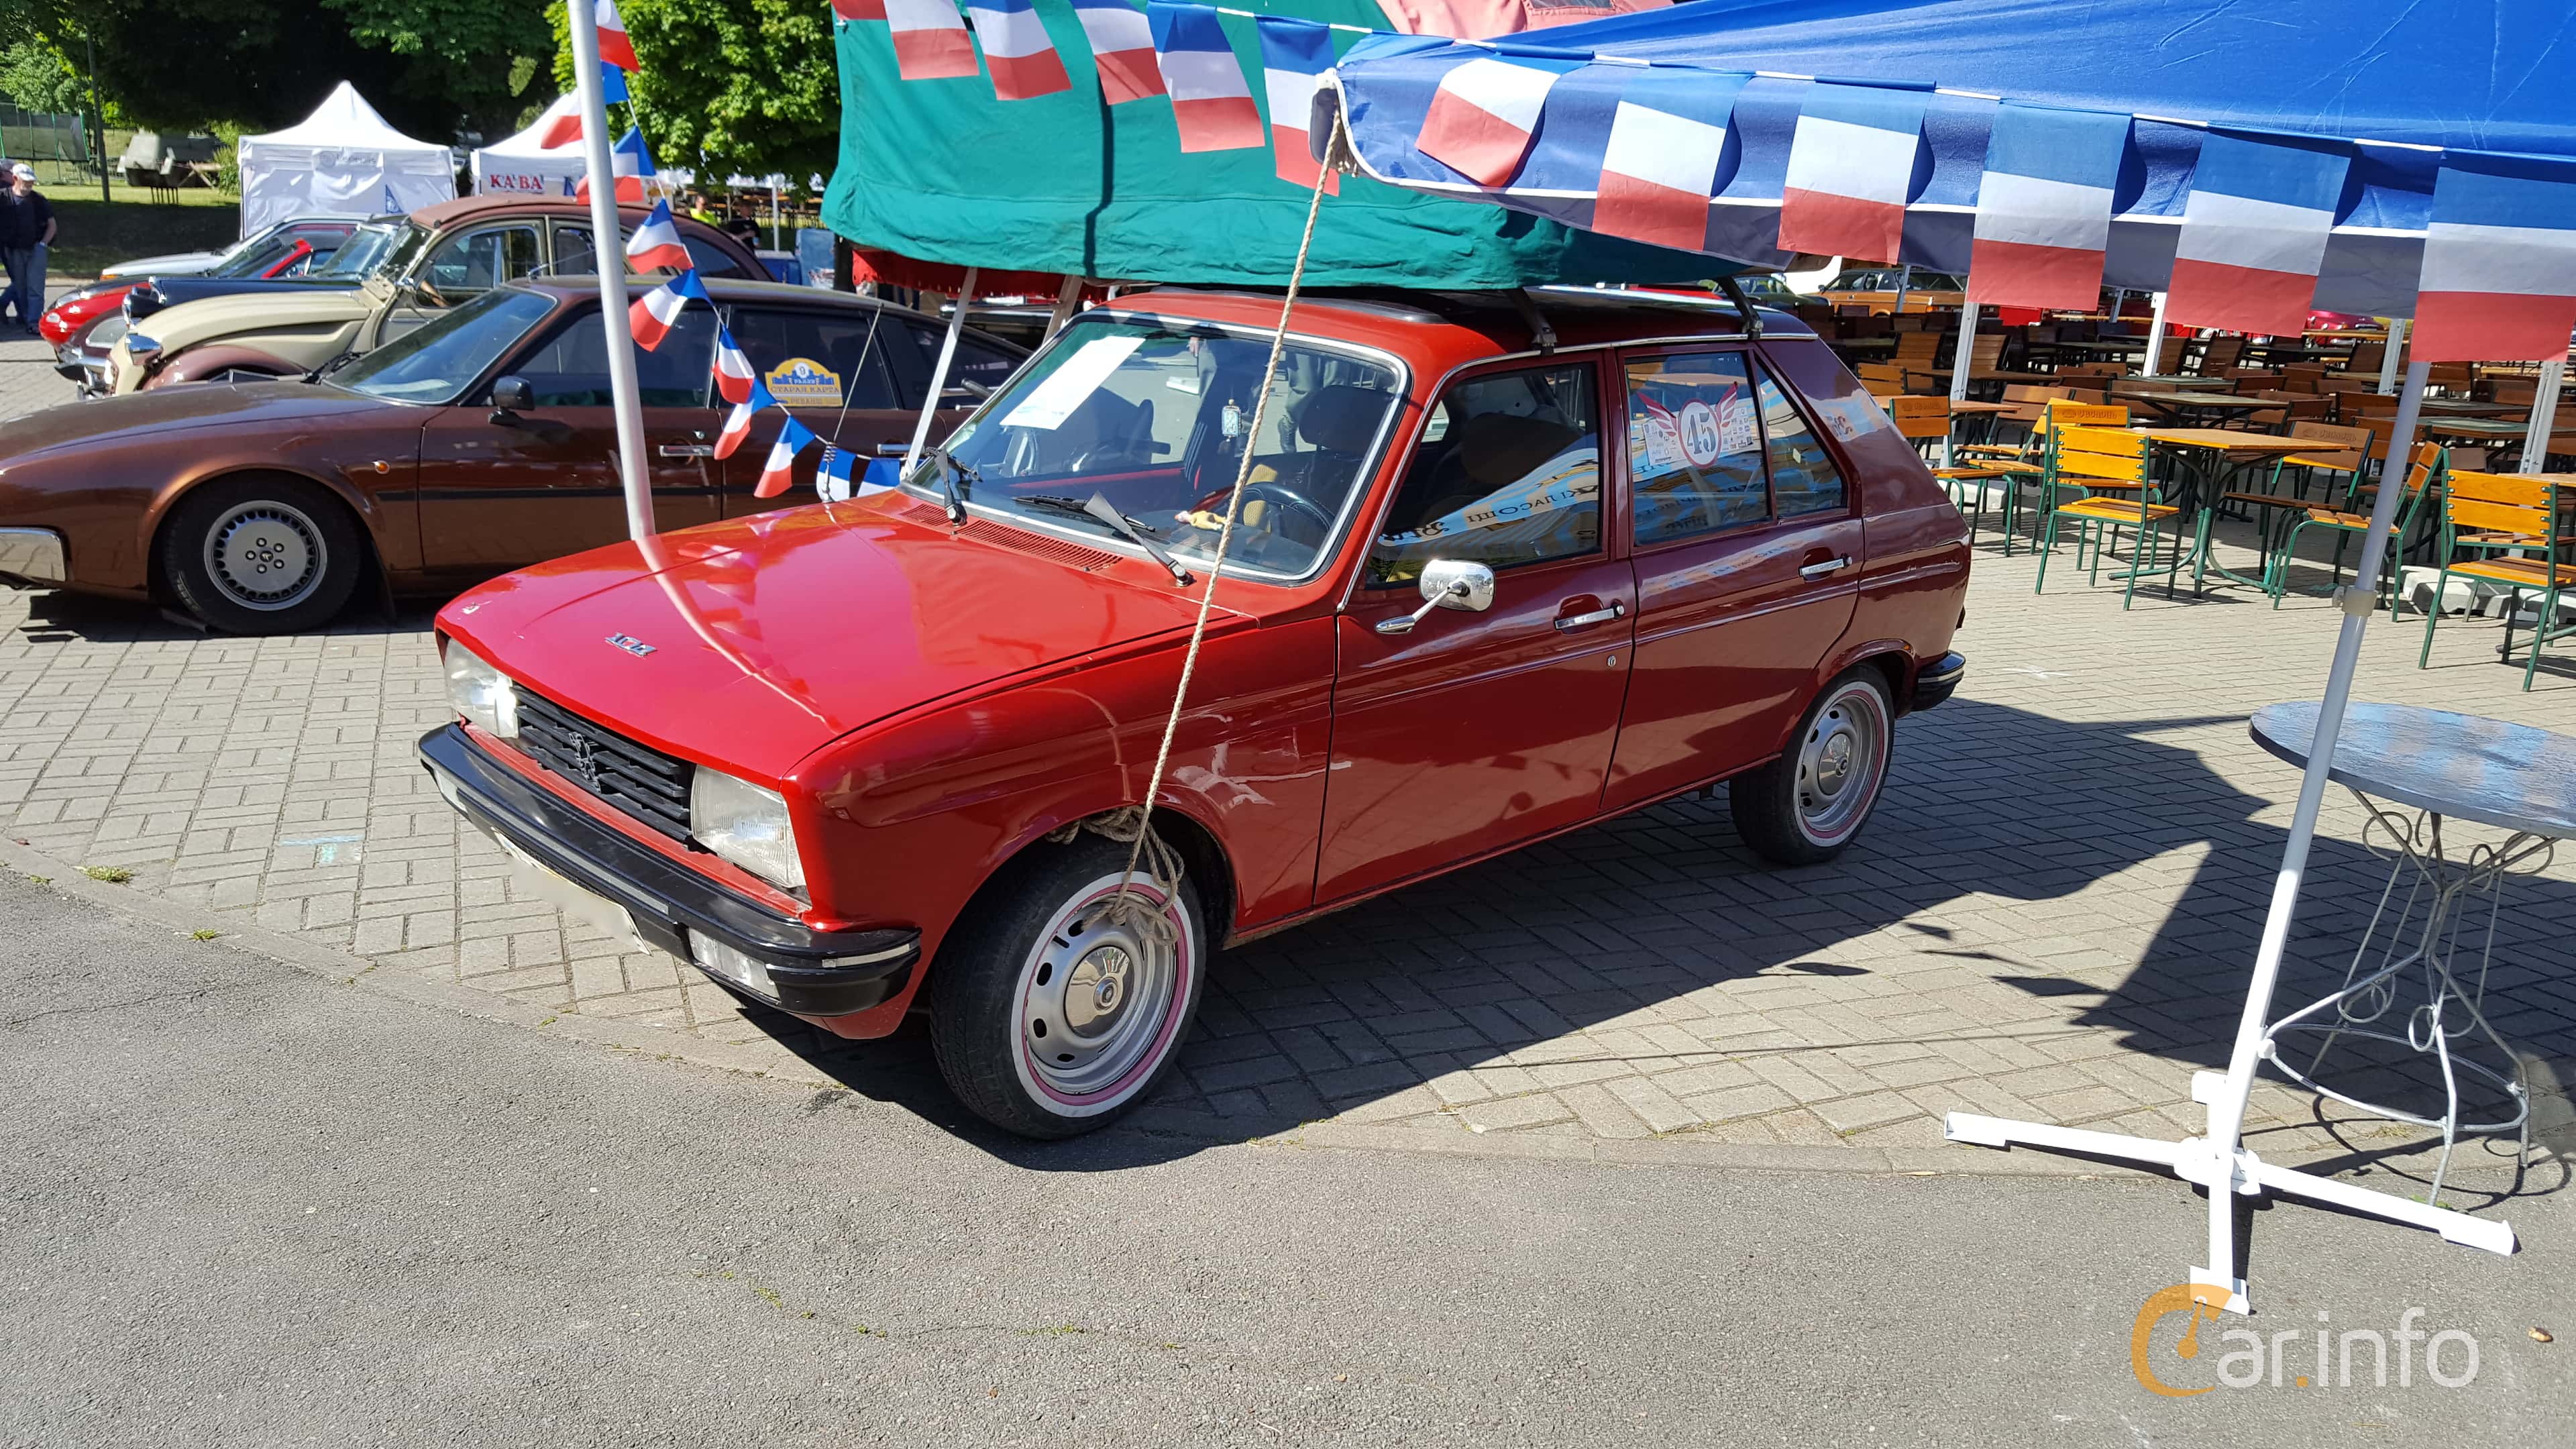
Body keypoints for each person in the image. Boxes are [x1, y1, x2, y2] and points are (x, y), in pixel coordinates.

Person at [0, 164, 56, 335]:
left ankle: (34, 321)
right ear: (15, 179)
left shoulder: (38, 200)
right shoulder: (3, 198)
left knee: (36, 288)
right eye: (26, 181)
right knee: (20, 286)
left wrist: (43, 244)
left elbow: (52, 225)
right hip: (12, 249)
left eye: (31, 182)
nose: (29, 185)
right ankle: (25, 317)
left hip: (36, 248)